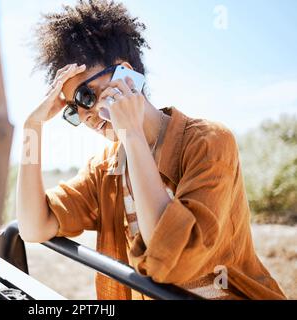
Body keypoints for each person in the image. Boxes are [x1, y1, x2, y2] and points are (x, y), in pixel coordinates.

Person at [15, 0, 286, 300]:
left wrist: (132, 134)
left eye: (85, 95)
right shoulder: (104, 169)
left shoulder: (210, 143)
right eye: (73, 111)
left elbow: (173, 262)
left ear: (126, 75)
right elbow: (33, 226)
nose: (86, 115)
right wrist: (32, 128)